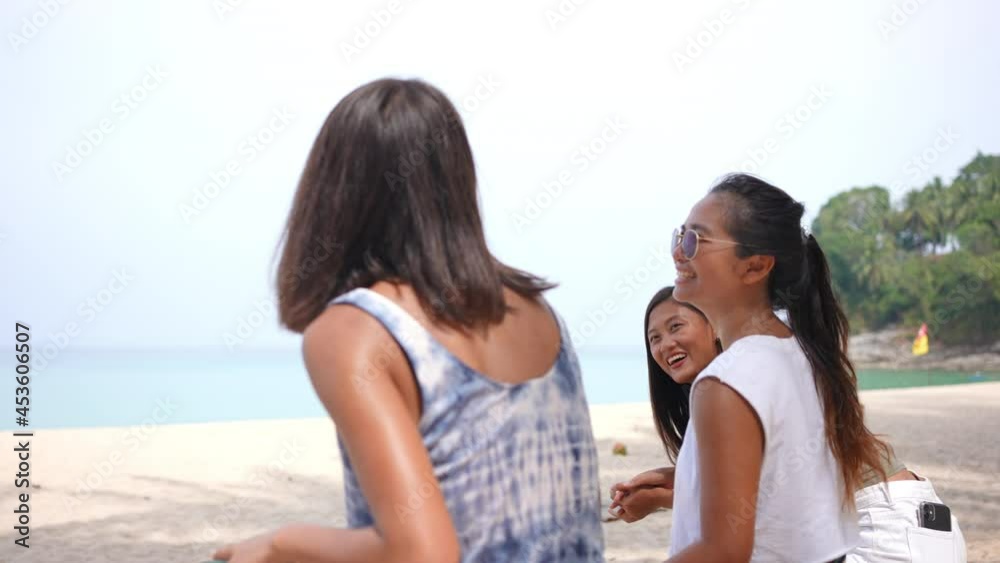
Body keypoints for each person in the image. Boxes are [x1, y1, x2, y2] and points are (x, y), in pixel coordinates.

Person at [211, 78, 604, 563]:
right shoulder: (537, 312)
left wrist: (281, 543)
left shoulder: (357, 330)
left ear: (332, 190)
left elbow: (421, 552)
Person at [610, 286, 967, 562]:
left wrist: (667, 496)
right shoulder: (733, 381)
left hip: (886, 535)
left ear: (713, 326)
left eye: (676, 327)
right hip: (916, 528)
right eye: (654, 338)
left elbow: (754, 510)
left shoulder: (742, 377)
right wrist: (674, 483)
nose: (665, 344)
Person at [650, 173, 892, 562]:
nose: (679, 252)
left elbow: (723, 552)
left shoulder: (726, 383)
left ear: (755, 267)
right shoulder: (804, 355)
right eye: (680, 237)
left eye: (695, 239)